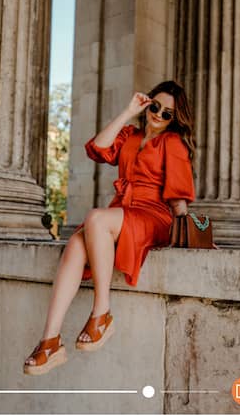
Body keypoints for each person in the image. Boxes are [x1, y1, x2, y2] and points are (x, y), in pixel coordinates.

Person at [24, 80, 196, 376]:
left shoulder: (172, 143)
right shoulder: (131, 135)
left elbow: (179, 197)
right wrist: (128, 112)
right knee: (76, 244)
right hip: (123, 212)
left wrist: (191, 230)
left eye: (167, 113)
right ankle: (49, 341)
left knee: (95, 218)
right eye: (155, 106)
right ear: (147, 103)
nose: (158, 114)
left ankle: (101, 313)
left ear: (175, 119)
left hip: (153, 216)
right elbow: (96, 148)